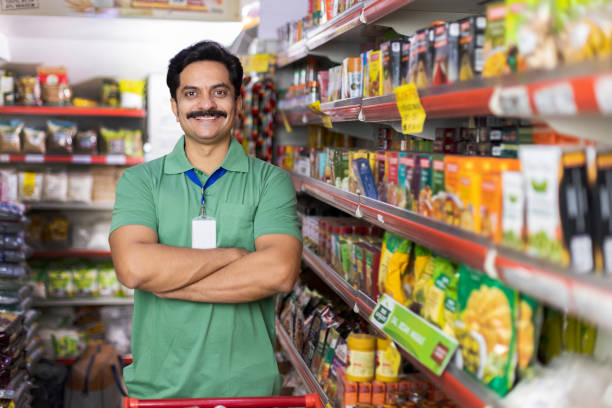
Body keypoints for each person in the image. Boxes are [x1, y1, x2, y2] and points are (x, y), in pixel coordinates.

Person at [109, 40, 302, 399]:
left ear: (238, 102)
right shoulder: (140, 181)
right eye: (191, 93)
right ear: (175, 106)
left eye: (219, 92)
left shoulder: (270, 181)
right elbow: (134, 268)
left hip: (247, 391)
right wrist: (233, 257)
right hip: (159, 390)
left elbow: (279, 272)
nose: (206, 105)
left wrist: (164, 282)